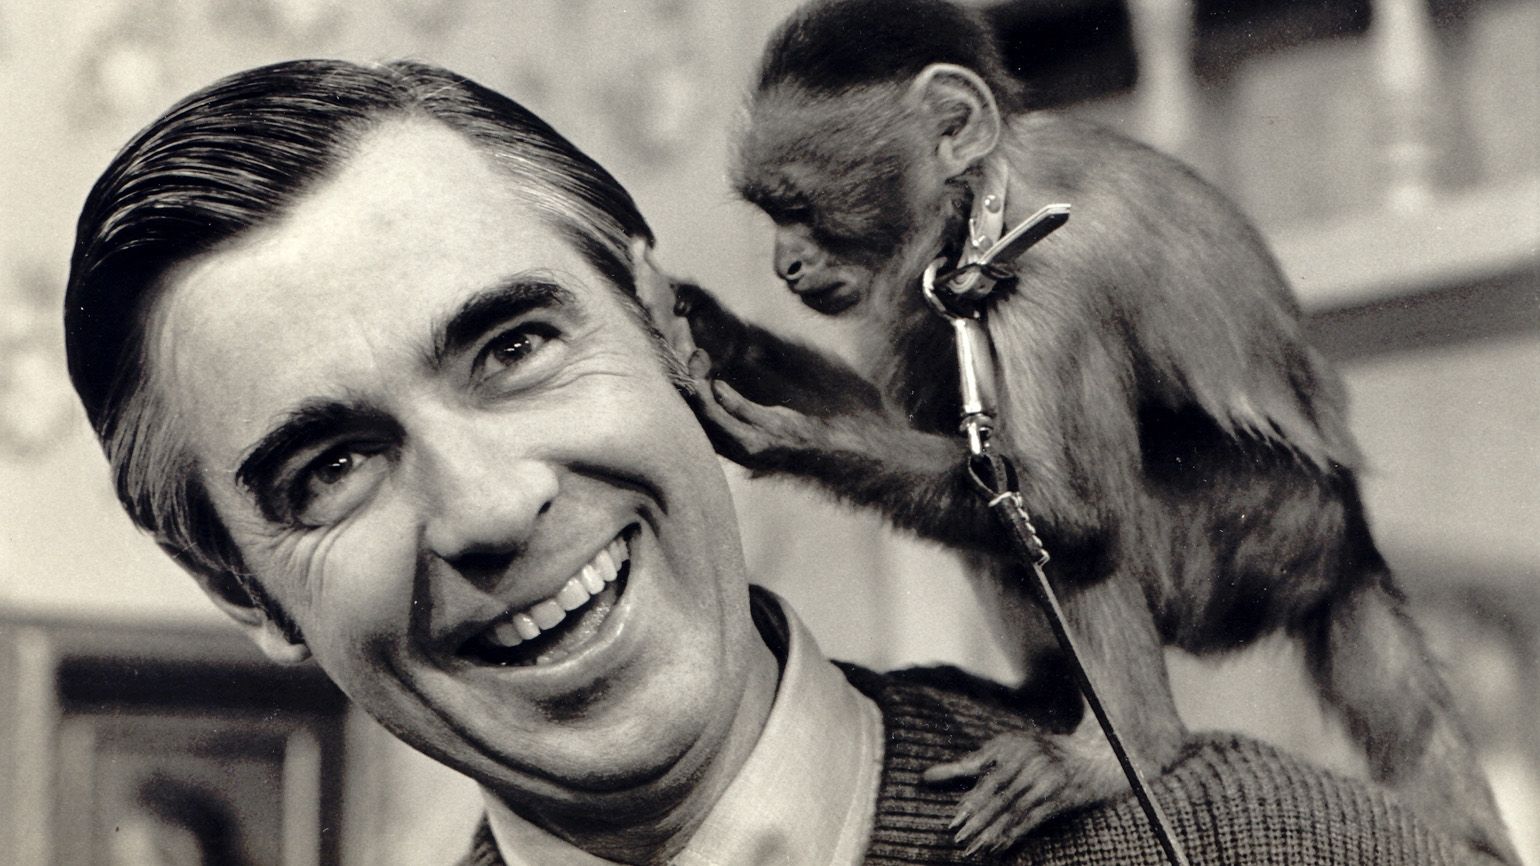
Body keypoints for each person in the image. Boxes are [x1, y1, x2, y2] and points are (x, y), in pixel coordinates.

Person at [65, 59, 1470, 865]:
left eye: (511, 348)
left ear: (669, 330)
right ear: (241, 588)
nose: (490, 507)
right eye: (326, 470)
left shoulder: (1256, 846)